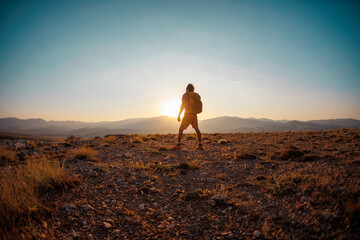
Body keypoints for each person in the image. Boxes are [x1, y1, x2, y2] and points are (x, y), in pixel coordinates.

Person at [173, 83, 203, 150]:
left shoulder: (186, 95)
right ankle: (200, 144)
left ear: (187, 89)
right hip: (194, 115)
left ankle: (178, 144)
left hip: (187, 115)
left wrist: (179, 115)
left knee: (181, 129)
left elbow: (183, 105)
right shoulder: (195, 96)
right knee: (197, 129)